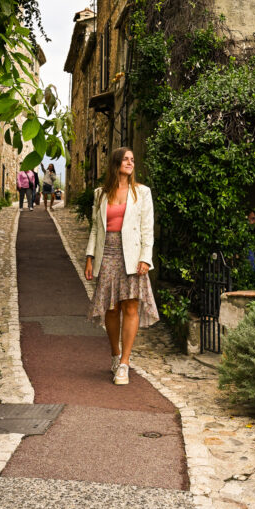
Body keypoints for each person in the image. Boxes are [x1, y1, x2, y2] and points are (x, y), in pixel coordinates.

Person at [85, 148, 159, 385]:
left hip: (132, 253)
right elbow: (96, 228)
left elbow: (148, 227)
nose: (131, 162)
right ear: (116, 162)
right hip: (106, 252)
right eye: (126, 159)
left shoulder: (142, 193)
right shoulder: (100, 194)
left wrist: (145, 258)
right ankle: (115, 354)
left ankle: (125, 363)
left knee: (130, 307)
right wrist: (89, 256)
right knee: (111, 307)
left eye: (133, 159)